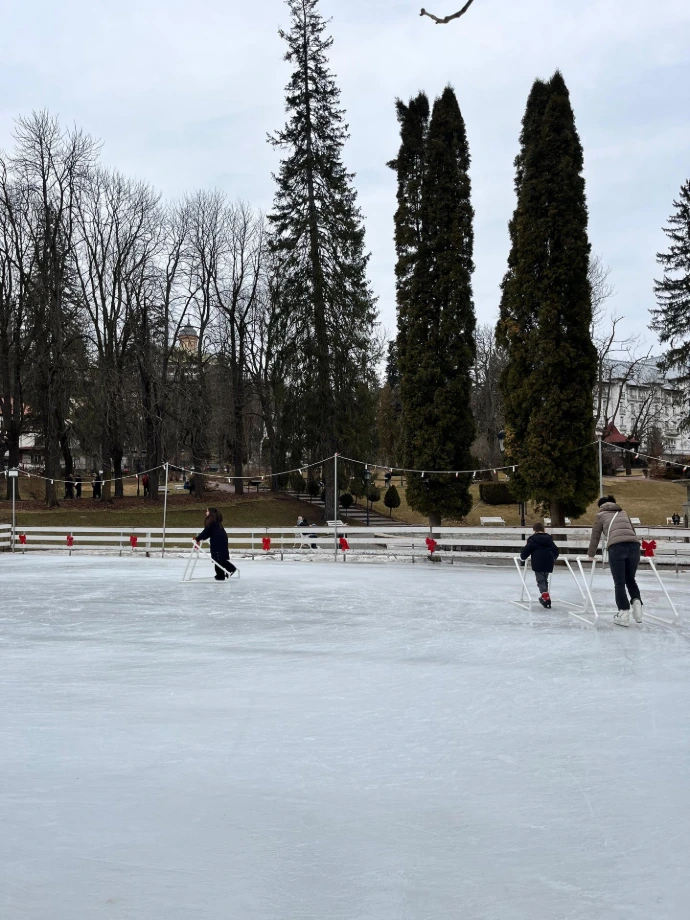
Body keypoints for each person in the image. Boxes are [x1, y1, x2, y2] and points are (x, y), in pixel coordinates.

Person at [587, 495, 642, 627]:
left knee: (619, 581)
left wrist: (591, 554)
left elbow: (595, 536)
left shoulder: (600, 515)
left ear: (601, 506)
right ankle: (636, 601)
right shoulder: (624, 513)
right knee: (630, 579)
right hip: (634, 546)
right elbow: (633, 532)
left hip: (617, 547)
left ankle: (623, 613)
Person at [519, 522, 560, 608]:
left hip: (538, 562)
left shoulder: (532, 539)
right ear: (543, 529)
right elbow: (555, 550)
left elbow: (527, 550)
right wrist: (554, 557)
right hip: (548, 561)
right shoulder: (549, 539)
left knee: (541, 580)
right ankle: (545, 595)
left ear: (534, 530)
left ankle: (545, 596)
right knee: (545, 579)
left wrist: (522, 557)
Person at [195, 507, 237, 580]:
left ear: (211, 513)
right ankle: (220, 575)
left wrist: (197, 538)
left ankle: (231, 568)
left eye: (207, 511)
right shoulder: (216, 522)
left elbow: (206, 532)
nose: (206, 513)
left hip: (218, 541)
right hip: (220, 540)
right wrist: (200, 538)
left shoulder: (212, 522)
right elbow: (208, 533)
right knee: (217, 558)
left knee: (218, 558)